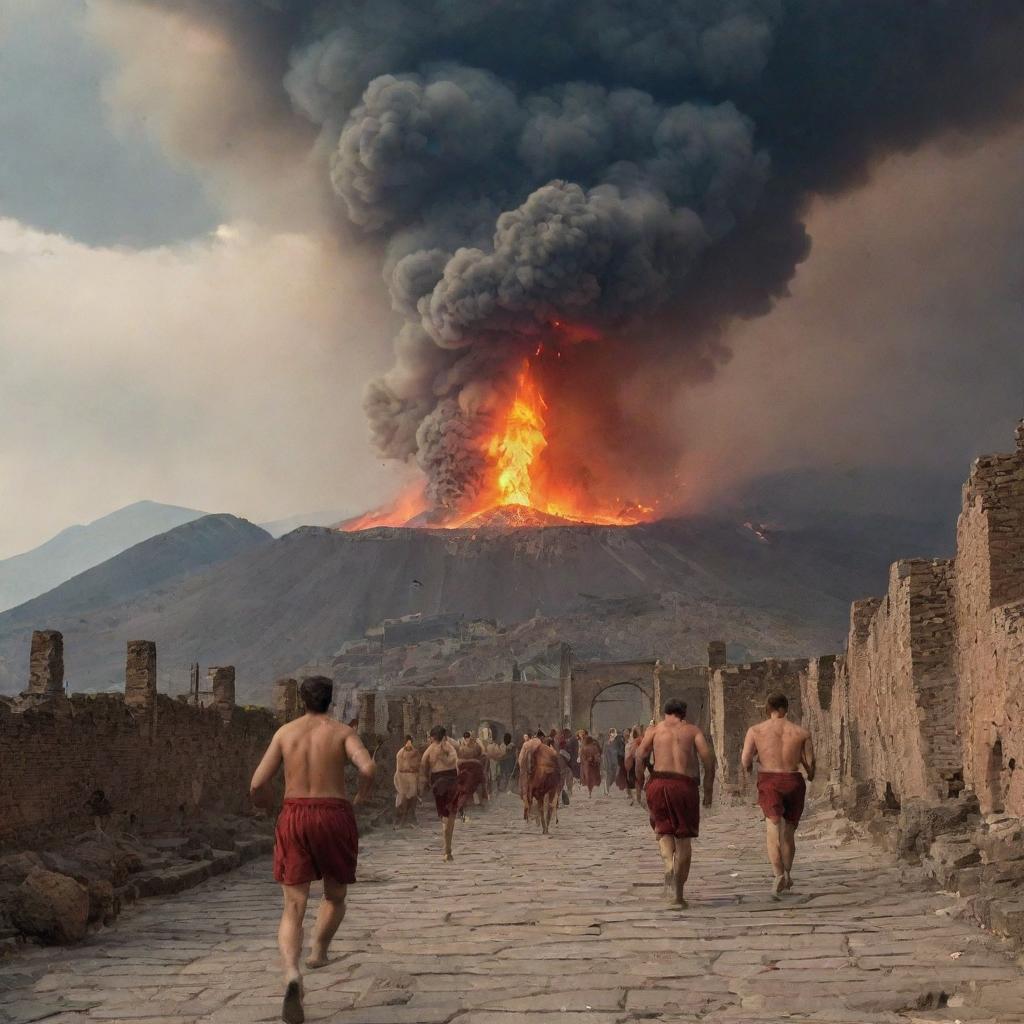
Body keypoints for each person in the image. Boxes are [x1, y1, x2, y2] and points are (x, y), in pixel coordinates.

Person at [250, 675, 375, 1024]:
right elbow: (367, 766)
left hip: (294, 813)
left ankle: (291, 972)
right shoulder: (342, 733)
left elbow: (257, 783)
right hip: (333, 813)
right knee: (335, 895)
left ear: (299, 701)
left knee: (293, 904)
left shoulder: (284, 734)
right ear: (331, 701)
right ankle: (319, 949)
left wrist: (268, 805)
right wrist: (362, 794)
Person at [634, 700, 715, 909]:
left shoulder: (654, 731)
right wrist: (708, 789)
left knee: (664, 831)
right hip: (684, 785)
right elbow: (708, 759)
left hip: (659, 783)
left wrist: (640, 782)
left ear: (665, 713)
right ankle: (678, 894)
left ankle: (668, 865)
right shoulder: (692, 731)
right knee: (684, 840)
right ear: (683, 713)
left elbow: (639, 756)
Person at [741, 692, 815, 899]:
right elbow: (811, 767)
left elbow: (745, 759)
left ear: (768, 709)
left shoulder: (756, 730)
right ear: (785, 708)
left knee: (772, 829)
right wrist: (808, 772)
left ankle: (778, 874)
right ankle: (789, 873)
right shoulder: (801, 732)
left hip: (769, 781)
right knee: (788, 832)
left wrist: (749, 768)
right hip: (793, 780)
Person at [420, 725, 463, 861]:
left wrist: (426, 782)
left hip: (438, 781)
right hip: (451, 780)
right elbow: (455, 763)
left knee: (444, 815)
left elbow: (423, 767)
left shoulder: (429, 750)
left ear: (432, 737)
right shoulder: (450, 747)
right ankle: (447, 848)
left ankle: (446, 849)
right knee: (452, 813)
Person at [519, 730, 562, 834]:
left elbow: (521, 761)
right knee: (552, 797)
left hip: (533, 777)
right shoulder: (547, 748)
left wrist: (523, 772)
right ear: (542, 738)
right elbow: (556, 758)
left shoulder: (527, 744)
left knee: (528, 794)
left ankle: (535, 816)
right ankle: (545, 825)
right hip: (550, 777)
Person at [393, 735, 420, 828]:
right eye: (407, 742)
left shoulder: (415, 752)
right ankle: (402, 818)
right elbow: (401, 767)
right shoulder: (400, 753)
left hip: (412, 776)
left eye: (410, 742)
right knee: (403, 796)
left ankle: (411, 816)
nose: (409, 744)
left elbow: (416, 765)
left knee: (413, 796)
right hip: (402, 776)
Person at [579, 730, 602, 796]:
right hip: (593, 765)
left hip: (587, 765)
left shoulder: (584, 747)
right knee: (593, 777)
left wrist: (586, 760)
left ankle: (590, 792)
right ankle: (591, 791)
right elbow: (598, 754)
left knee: (588, 777)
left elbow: (582, 757)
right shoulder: (594, 746)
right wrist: (595, 760)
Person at [601, 729, 619, 795]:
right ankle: (607, 791)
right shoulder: (606, 743)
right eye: (613, 733)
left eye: (615, 733)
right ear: (610, 734)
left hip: (615, 762)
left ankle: (606, 788)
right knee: (609, 776)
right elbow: (604, 754)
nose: (614, 734)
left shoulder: (617, 743)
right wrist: (605, 763)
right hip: (608, 762)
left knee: (614, 777)